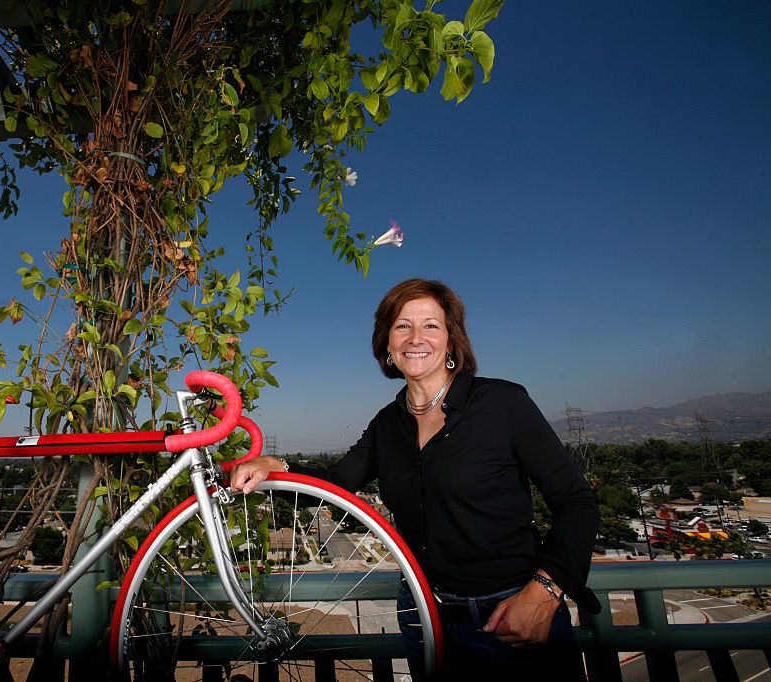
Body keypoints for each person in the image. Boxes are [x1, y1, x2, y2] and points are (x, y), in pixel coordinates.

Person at [230, 278, 600, 680]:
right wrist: (276, 467)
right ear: (387, 345)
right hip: (422, 618)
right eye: (402, 326)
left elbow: (577, 502)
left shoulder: (503, 404)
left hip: (511, 619)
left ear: (451, 341)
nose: (415, 337)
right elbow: (335, 483)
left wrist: (545, 593)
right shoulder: (389, 424)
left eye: (431, 325)